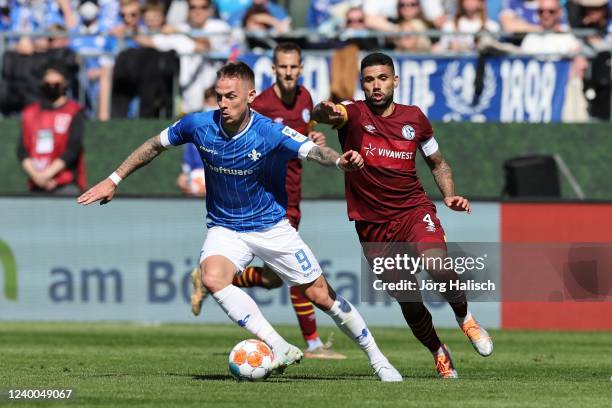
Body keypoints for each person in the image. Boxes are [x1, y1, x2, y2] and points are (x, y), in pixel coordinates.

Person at [77, 61, 403, 382]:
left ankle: (379, 359)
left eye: (231, 96)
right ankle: (279, 346)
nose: (223, 104)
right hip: (225, 228)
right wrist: (114, 178)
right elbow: (153, 145)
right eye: (219, 96)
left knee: (321, 296)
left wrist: (340, 162)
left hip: (272, 227)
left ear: (251, 96)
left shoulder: (270, 131)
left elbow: (313, 151)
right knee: (212, 276)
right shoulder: (198, 124)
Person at [311, 52, 494, 379]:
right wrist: (322, 111)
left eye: (382, 78)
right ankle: (439, 351)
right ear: (362, 84)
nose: (375, 86)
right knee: (408, 297)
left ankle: (465, 319)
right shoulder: (353, 113)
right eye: (369, 80)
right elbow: (330, 114)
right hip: (372, 224)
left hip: (413, 210)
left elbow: (438, 163)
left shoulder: (415, 118)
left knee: (437, 264)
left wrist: (449, 194)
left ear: (395, 81)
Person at [190, 43, 345, 359]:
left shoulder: (304, 98)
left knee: (274, 279)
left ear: (301, 68)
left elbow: (302, 134)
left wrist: (313, 139)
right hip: (267, 198)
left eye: (294, 67)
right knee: (297, 277)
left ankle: (208, 280)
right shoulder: (256, 105)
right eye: (283, 67)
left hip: (294, 190)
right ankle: (313, 343)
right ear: (273, 69)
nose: (288, 73)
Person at [18, 63, 86, 195]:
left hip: (65, 184)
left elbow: (73, 149)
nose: (51, 85)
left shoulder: (73, 111)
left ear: (65, 83)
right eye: (48, 81)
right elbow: (22, 150)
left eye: (56, 82)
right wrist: (37, 176)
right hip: (36, 184)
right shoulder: (30, 113)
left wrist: (47, 175)